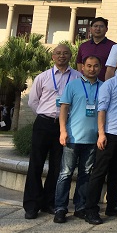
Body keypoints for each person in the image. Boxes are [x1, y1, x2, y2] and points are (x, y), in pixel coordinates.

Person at [23, 45, 81, 219]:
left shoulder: (77, 77)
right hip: (44, 124)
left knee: (57, 166)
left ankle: (50, 202)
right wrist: (47, 115)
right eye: (58, 53)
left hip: (65, 126)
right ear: (53, 57)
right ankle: (32, 205)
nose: (62, 56)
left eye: (65, 53)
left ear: (70, 56)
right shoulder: (43, 77)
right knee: (36, 164)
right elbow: (33, 101)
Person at [84, 50, 117, 225]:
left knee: (116, 172)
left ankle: (113, 204)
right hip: (110, 134)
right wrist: (101, 134)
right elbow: (102, 110)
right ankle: (91, 209)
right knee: (99, 172)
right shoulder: (109, 85)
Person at [53, 55, 102, 224]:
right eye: (89, 65)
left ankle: (80, 207)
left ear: (100, 68)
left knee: (85, 174)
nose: (92, 69)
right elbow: (64, 109)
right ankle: (60, 208)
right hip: (73, 137)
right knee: (65, 173)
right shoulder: (73, 85)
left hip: (92, 139)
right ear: (83, 67)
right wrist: (62, 131)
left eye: (95, 66)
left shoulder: (103, 86)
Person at [76, 17, 115, 82]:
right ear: (90, 29)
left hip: (105, 84)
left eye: (101, 26)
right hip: (85, 84)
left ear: (106, 29)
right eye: (95, 26)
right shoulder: (83, 46)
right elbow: (79, 63)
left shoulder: (113, 46)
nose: (98, 29)